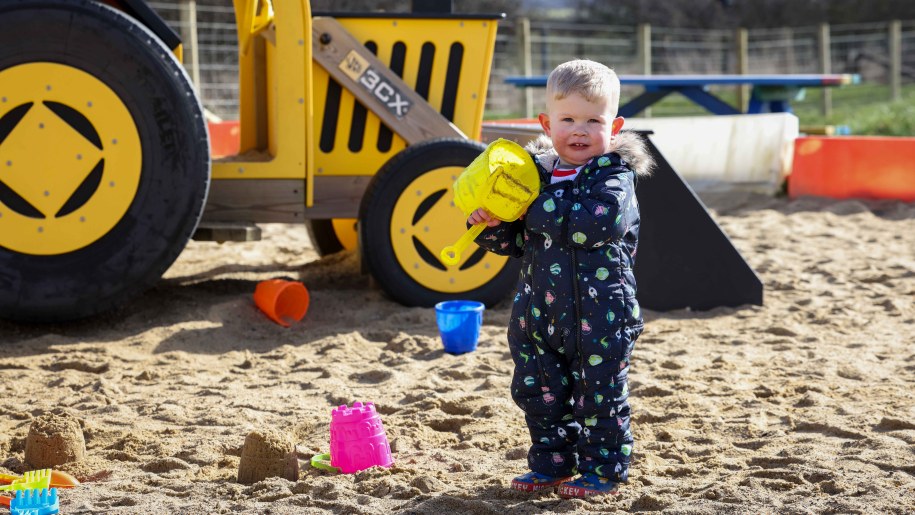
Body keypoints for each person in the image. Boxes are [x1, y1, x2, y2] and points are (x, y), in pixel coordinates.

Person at [468, 59, 654, 498]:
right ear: (546, 124)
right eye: (568, 119)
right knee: (539, 391)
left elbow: (596, 224)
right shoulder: (534, 175)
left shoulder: (614, 174)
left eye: (594, 120)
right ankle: (552, 464)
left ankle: (603, 471)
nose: (580, 130)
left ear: (615, 125)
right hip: (539, 313)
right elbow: (517, 242)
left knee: (599, 396)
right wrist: (493, 223)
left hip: (603, 313)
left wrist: (529, 205)